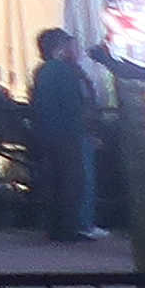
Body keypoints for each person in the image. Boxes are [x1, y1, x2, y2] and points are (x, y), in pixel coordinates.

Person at [25, 28, 102, 242]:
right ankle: (69, 228)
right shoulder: (66, 72)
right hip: (68, 134)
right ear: (60, 47)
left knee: (54, 181)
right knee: (71, 181)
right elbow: (73, 106)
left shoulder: (42, 71)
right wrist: (85, 129)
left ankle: (55, 227)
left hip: (47, 133)